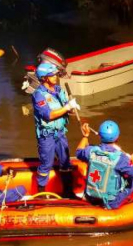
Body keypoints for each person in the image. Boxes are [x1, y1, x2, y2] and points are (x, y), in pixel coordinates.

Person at [31, 62, 81, 196]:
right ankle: (41, 193)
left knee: (65, 161)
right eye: (52, 75)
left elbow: (66, 110)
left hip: (60, 133)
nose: (56, 76)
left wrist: (72, 107)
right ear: (44, 78)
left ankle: (68, 191)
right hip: (47, 136)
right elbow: (48, 115)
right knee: (46, 164)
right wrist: (67, 108)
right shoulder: (38, 95)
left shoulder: (59, 90)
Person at [75, 120, 133, 209]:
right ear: (117, 138)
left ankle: (89, 198)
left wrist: (85, 136)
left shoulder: (91, 151)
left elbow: (78, 152)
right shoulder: (121, 158)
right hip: (111, 202)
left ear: (100, 136)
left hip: (91, 197)